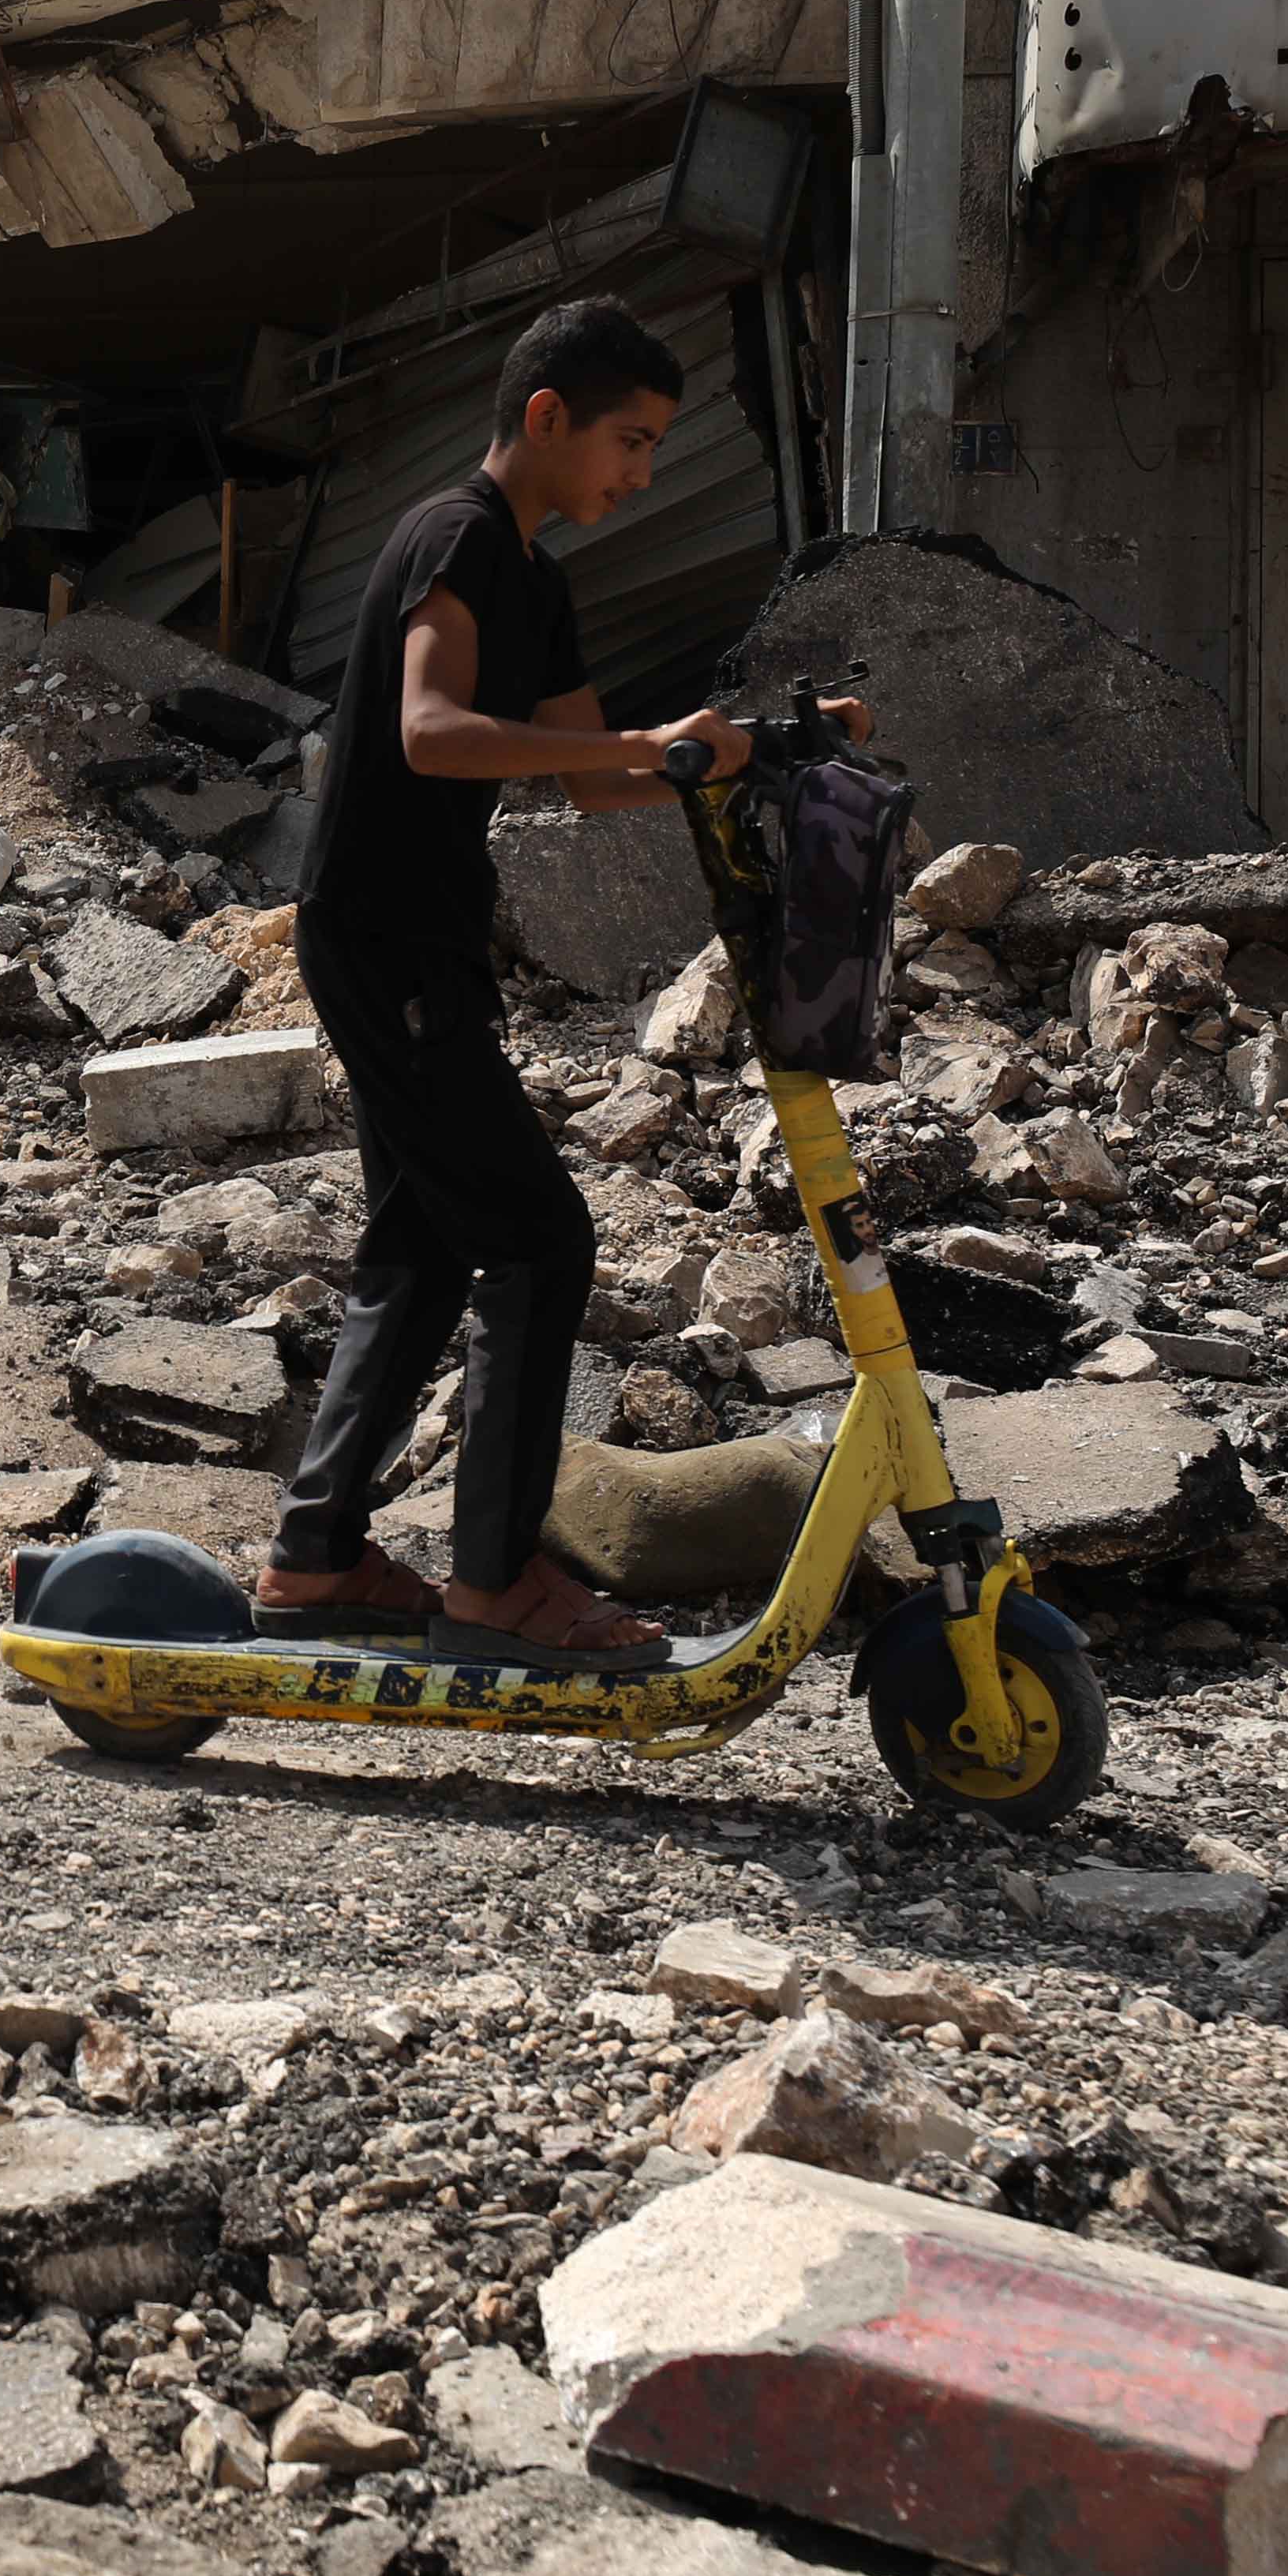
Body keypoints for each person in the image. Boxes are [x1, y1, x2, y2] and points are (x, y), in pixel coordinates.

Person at [260, 298, 859, 1673]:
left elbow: (597, 776)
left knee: (420, 1248)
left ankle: (316, 1556)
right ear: (546, 420)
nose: (642, 474)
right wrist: (655, 743)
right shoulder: (456, 537)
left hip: (424, 943)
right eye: (631, 443)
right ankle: (492, 1580)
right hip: (382, 938)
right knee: (539, 1236)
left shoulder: (542, 578)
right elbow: (428, 732)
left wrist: (765, 741)